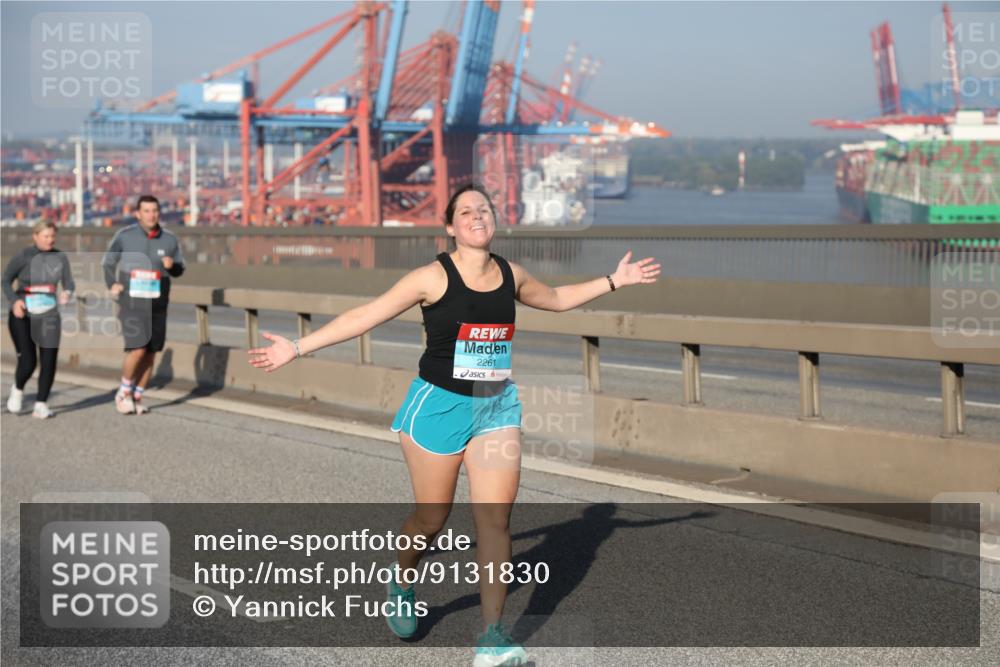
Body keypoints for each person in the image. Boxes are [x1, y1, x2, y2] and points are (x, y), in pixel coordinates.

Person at [247, 183, 659, 666]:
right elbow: (366, 316)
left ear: (494, 220)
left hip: (495, 407)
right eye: (466, 212)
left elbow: (557, 298)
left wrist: (614, 280)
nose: (477, 216)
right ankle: (402, 579)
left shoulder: (511, 274)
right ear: (450, 227)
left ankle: (492, 639)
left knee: (495, 520)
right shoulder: (431, 278)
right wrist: (297, 348)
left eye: (484, 209)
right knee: (431, 519)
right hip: (437, 408)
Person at [101, 195, 185, 415]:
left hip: (158, 303)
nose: (151, 215)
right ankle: (123, 392)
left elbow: (180, 269)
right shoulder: (125, 236)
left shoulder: (169, 239)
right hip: (131, 302)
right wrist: (112, 283)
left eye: (154, 210)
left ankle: (137, 396)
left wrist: (172, 266)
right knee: (138, 349)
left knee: (151, 352)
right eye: (146, 211)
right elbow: (108, 262)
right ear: (138, 214)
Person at [3, 221, 75, 419]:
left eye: (52, 236)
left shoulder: (60, 257)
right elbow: (6, 280)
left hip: (49, 314)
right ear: (35, 236)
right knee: (28, 361)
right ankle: (18, 389)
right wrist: (15, 301)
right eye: (45, 236)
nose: (50, 240)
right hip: (23, 314)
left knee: (49, 359)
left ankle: (41, 404)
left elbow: (68, 282)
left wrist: (67, 293)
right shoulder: (24, 255)